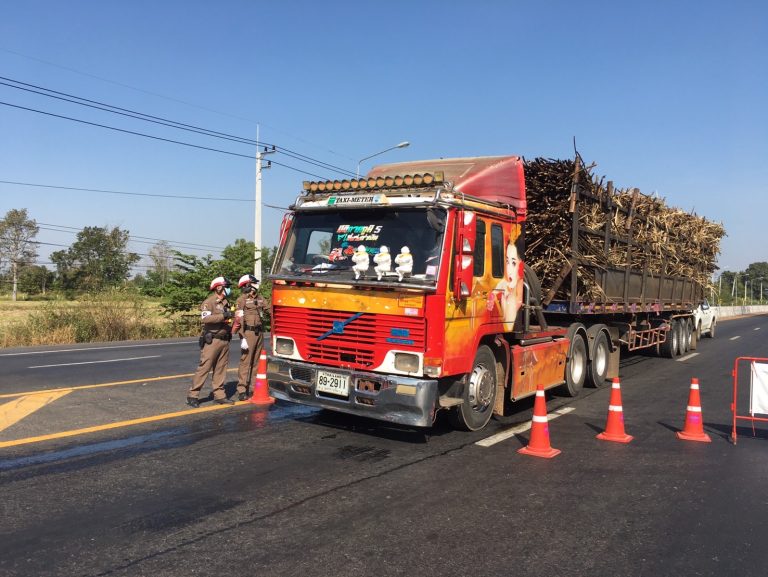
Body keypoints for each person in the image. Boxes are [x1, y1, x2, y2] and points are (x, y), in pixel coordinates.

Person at [187, 276, 235, 407]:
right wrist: (223, 316)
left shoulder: (226, 302)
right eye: (227, 287)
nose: (229, 289)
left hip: (224, 340)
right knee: (205, 367)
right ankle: (193, 395)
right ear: (218, 288)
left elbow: (228, 320)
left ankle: (219, 396)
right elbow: (205, 319)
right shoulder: (209, 302)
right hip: (212, 340)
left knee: (221, 369)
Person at [233, 273, 267, 401]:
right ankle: (242, 389)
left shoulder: (260, 298)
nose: (256, 285)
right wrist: (242, 337)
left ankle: (254, 388)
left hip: (259, 333)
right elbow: (239, 320)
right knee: (246, 362)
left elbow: (269, 309)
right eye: (254, 283)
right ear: (247, 285)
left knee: (257, 362)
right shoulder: (241, 300)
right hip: (248, 333)